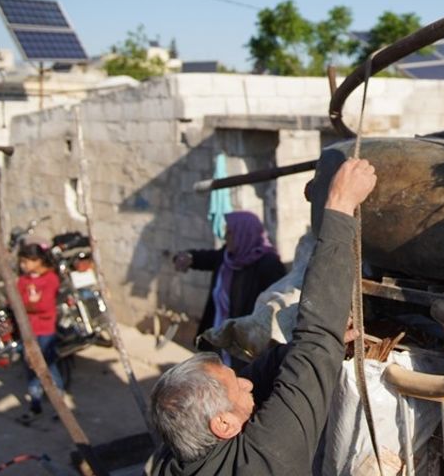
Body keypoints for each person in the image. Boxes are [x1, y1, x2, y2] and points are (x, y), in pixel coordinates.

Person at [146, 158, 376, 475]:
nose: (247, 384)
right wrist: (339, 207)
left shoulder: (170, 459)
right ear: (223, 424)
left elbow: (286, 364)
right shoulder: (262, 460)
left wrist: (301, 350)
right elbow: (315, 348)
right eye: (237, 387)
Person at [173, 211, 286, 351]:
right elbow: (207, 258)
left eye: (230, 232)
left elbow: (275, 304)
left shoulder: (269, 264)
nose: (225, 237)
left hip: (247, 343)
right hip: (218, 335)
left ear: (244, 233)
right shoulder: (228, 256)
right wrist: (188, 257)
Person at [16, 243, 64, 422]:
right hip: (28, 330)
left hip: (45, 330)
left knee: (48, 366)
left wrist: (27, 305)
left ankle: (58, 403)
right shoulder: (23, 280)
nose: (23, 265)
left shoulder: (50, 279)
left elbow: (44, 306)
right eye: (22, 261)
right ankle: (35, 402)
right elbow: (14, 300)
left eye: (26, 261)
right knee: (31, 366)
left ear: (38, 261)